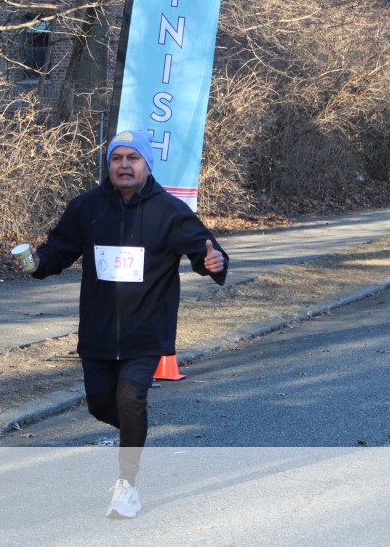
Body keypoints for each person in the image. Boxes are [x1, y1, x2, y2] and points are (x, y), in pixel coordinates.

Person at [13, 129, 228, 519]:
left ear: (147, 165)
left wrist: (215, 263)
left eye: (133, 158)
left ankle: (127, 486)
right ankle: (135, 435)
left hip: (146, 330)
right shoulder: (87, 207)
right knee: (100, 404)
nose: (124, 165)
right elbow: (59, 250)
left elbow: (206, 251)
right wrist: (38, 262)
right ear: (108, 164)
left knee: (131, 398)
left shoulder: (169, 211)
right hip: (98, 330)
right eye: (117, 158)